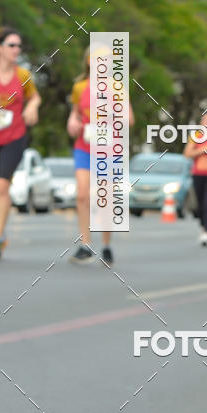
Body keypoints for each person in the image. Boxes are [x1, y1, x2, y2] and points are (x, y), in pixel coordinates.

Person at [67, 47, 134, 266]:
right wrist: (73, 121)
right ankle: (85, 245)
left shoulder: (117, 87)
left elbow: (129, 119)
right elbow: (75, 113)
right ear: (88, 61)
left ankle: (106, 245)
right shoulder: (80, 87)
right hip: (84, 146)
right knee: (82, 195)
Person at [0, 27, 41, 257]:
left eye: (19, 46)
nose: (16, 49)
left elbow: (35, 97)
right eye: (11, 45)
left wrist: (32, 107)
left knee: (2, 186)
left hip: (14, 137)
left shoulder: (22, 75)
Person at [184, 106, 207, 246]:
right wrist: (204, 149)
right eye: (204, 120)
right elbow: (187, 153)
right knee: (200, 204)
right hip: (198, 174)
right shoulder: (197, 136)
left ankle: (206, 231)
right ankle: (202, 223)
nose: (206, 123)